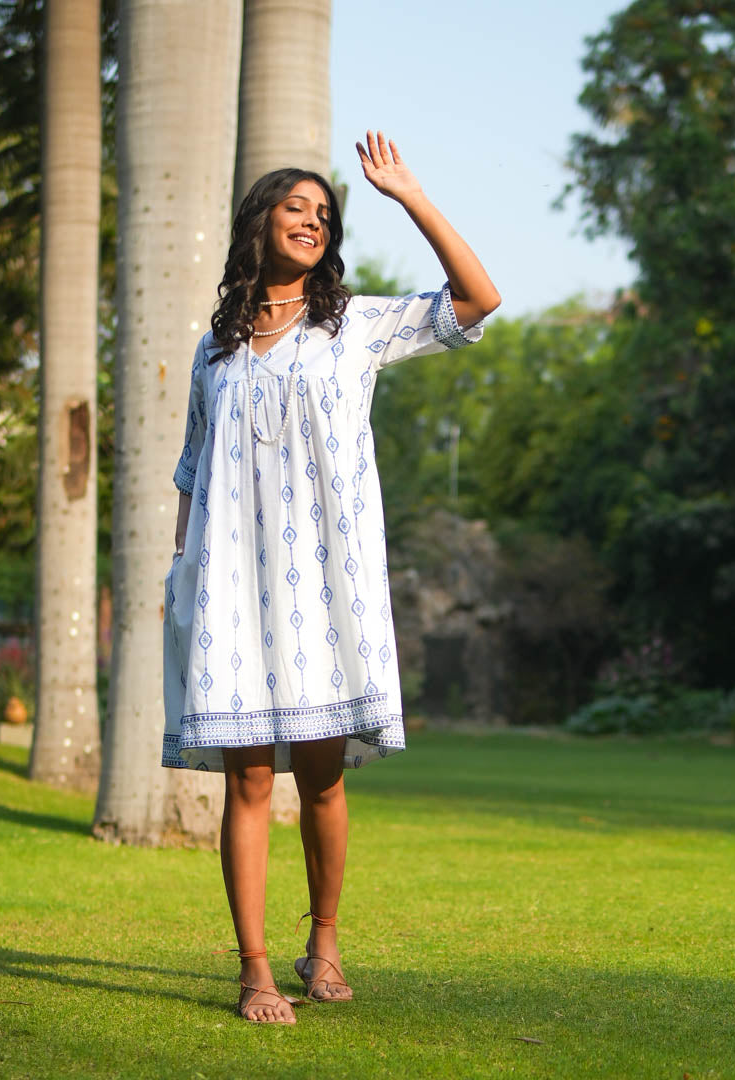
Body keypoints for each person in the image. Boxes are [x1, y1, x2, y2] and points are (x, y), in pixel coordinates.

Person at [162, 132, 501, 1024]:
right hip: (232, 589)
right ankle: (255, 969)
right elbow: (192, 476)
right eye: (295, 207)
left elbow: (478, 298)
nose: (311, 220)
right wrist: (180, 577)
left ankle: (326, 943)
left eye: (324, 213)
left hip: (324, 590)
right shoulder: (216, 351)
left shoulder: (353, 326)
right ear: (260, 224)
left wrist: (412, 197)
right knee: (246, 784)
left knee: (322, 781)